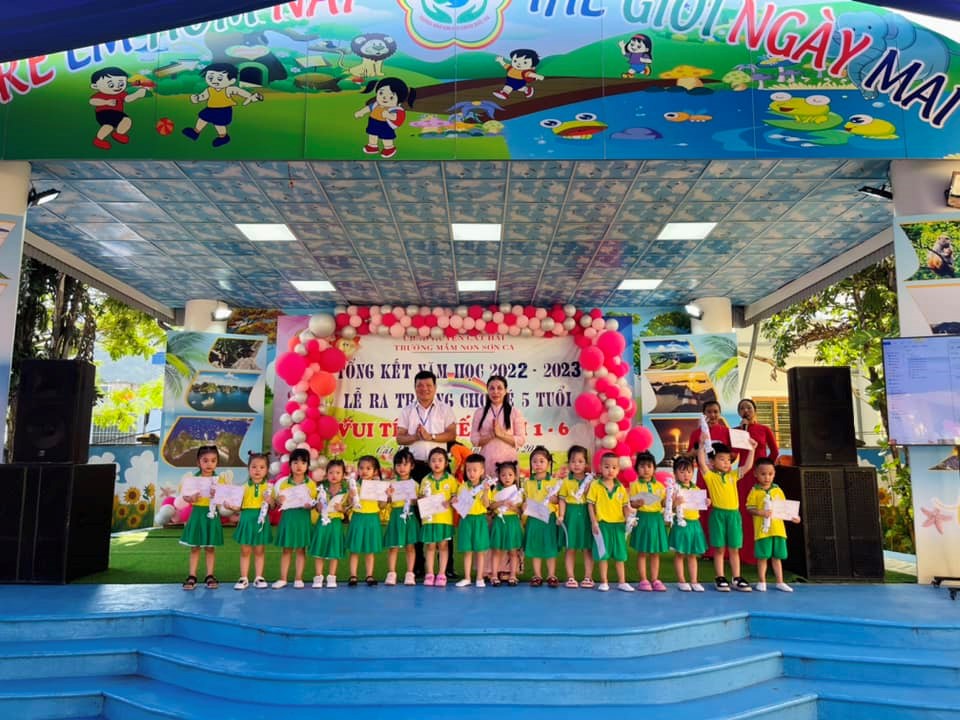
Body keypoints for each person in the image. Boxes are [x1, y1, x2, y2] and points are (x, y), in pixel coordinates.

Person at [397, 370, 457, 578]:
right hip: (417, 468)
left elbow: (452, 434)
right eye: (420, 386)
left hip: (440, 468)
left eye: (428, 385)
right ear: (415, 388)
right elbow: (399, 438)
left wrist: (430, 436)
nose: (424, 389)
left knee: (443, 514)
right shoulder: (407, 410)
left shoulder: (444, 409)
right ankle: (420, 566)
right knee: (418, 516)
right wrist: (415, 436)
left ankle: (447, 568)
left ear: (435, 387)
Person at [697, 434, 757, 592]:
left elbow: (747, 467)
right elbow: (701, 463)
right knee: (719, 548)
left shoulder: (732, 475)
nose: (726, 462)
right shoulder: (710, 476)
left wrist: (752, 449)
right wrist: (702, 446)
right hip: (718, 515)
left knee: (734, 548)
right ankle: (720, 577)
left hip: (733, 516)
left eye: (729, 460)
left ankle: (737, 578)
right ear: (712, 462)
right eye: (722, 459)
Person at [736, 398, 780, 565]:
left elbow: (774, 451)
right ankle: (744, 553)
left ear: (755, 410)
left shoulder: (764, 429)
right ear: (739, 413)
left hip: (761, 476)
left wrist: (766, 468)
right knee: (745, 511)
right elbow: (732, 454)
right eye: (742, 408)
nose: (745, 411)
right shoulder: (736, 431)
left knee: (762, 509)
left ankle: (763, 553)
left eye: (748, 407)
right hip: (744, 475)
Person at [746, 458, 800, 592]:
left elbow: (785, 508)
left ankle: (780, 581)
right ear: (756, 474)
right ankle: (762, 581)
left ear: (774, 474)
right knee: (763, 557)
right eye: (763, 474)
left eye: (770, 474)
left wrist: (794, 517)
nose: (767, 477)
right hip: (763, 531)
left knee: (777, 557)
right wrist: (760, 512)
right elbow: (749, 508)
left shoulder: (777, 490)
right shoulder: (754, 491)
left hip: (778, 529)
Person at [180, 445, 229, 590]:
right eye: (205, 460)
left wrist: (217, 495)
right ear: (198, 462)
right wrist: (192, 498)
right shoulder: (192, 479)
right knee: (195, 547)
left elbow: (224, 500)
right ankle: (192, 576)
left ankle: (210, 575)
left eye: (213, 460)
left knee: (210, 547)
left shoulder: (220, 480)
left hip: (212, 515)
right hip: (197, 514)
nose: (209, 464)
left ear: (217, 462)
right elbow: (185, 497)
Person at [587, 453, 634, 593]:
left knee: (620, 555)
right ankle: (604, 581)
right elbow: (590, 505)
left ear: (619, 469)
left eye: (614, 467)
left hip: (618, 526)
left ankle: (622, 582)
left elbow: (625, 507)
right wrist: (594, 522)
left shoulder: (621, 487)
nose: (610, 470)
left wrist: (629, 519)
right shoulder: (595, 485)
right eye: (607, 467)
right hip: (602, 525)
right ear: (600, 467)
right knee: (603, 555)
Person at [273, 448, 317, 589]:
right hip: (288, 519)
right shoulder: (283, 483)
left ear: (308, 465)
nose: (299, 466)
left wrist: (310, 505)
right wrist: (279, 500)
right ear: (290, 464)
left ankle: (298, 578)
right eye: (295, 462)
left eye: (303, 463)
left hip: (302, 519)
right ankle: (283, 578)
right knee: (286, 550)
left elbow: (314, 503)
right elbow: (277, 503)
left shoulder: (311, 484)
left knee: (300, 550)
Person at [230, 451, 273, 590]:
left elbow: (273, 506)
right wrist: (231, 507)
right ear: (248, 469)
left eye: (261, 467)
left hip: (261, 521)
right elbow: (238, 506)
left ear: (267, 469)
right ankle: (243, 578)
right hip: (247, 521)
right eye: (254, 467)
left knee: (259, 550)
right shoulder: (243, 487)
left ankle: (259, 577)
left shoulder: (269, 487)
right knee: (245, 550)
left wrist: (270, 500)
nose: (257, 470)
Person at [470, 375, 527, 478]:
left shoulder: (514, 412)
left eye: (499, 388)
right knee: (487, 488)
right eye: (492, 388)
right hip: (486, 461)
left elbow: (521, 440)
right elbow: (474, 440)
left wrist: (501, 435)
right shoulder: (479, 413)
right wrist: (491, 435)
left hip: (509, 464)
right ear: (487, 391)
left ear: (505, 391)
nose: (495, 392)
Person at [628, 451, 669, 592]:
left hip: (656, 520)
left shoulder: (660, 486)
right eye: (642, 466)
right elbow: (631, 503)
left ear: (654, 468)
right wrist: (636, 504)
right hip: (643, 519)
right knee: (642, 552)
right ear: (637, 469)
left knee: (655, 552)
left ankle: (655, 579)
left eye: (649, 466)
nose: (646, 469)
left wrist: (671, 500)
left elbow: (663, 503)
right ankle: (643, 580)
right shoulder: (634, 485)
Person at [669, 455, 709, 592]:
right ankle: (681, 580)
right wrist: (675, 503)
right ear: (675, 473)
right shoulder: (674, 489)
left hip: (694, 524)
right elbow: (668, 509)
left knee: (692, 554)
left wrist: (706, 502)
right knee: (680, 553)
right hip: (681, 524)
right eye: (682, 472)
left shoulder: (696, 489)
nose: (686, 475)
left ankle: (694, 581)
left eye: (689, 471)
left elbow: (699, 505)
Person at [418, 447, 458, 586]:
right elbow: (420, 497)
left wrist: (451, 501)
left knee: (443, 546)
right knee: (430, 546)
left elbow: (455, 497)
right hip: (429, 519)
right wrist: (422, 499)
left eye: (440, 460)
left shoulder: (451, 480)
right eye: (433, 460)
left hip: (444, 519)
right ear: (429, 463)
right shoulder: (425, 480)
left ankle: (441, 574)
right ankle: (429, 574)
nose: (437, 463)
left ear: (446, 463)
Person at [523, 445, 561, 588]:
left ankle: (551, 575)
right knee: (535, 547)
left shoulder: (554, 482)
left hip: (549, 518)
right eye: (534, 461)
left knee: (550, 546)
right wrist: (524, 506)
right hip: (534, 519)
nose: (538, 465)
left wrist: (554, 499)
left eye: (541, 461)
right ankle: (537, 575)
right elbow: (524, 500)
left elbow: (558, 500)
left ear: (548, 463)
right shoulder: (527, 482)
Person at [347, 455, 388, 586]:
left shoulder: (379, 487)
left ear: (375, 471)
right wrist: (351, 496)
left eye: (368, 468)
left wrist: (386, 496)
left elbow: (382, 506)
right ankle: (353, 576)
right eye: (361, 468)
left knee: (370, 550)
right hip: (358, 518)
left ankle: (369, 575)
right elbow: (349, 504)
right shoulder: (354, 485)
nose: (364, 471)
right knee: (355, 549)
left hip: (372, 519)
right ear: (358, 470)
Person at [558, 445, 595, 588]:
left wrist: (588, 489)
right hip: (571, 516)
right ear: (568, 463)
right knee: (570, 548)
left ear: (586, 463)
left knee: (587, 548)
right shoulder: (566, 481)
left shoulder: (591, 481)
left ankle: (588, 577)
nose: (577, 464)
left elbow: (594, 500)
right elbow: (562, 500)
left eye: (580, 461)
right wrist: (561, 515)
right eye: (573, 461)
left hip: (586, 515)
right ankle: (570, 577)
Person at [383, 449, 420, 586]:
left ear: (412, 466)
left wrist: (416, 499)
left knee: (410, 546)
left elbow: (419, 503)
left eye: (405, 464)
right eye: (398, 465)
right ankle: (391, 573)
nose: (402, 468)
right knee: (393, 546)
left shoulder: (416, 484)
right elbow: (384, 503)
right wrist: (388, 496)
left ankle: (410, 574)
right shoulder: (391, 483)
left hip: (410, 516)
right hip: (396, 516)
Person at [454, 454, 492, 588]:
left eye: (475, 470)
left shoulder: (485, 487)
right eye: (468, 470)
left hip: (480, 520)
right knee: (467, 551)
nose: (471, 473)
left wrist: (486, 491)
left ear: (482, 471)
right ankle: (467, 578)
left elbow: (486, 505)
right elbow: (459, 507)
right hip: (466, 520)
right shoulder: (462, 487)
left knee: (480, 551)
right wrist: (455, 502)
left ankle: (480, 578)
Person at [309, 459, 347, 589]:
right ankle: (318, 577)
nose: (334, 475)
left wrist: (342, 509)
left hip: (336, 523)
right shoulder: (321, 489)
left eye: (338, 472)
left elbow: (349, 508)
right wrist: (317, 507)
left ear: (343, 475)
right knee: (320, 549)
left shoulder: (346, 491)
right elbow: (315, 505)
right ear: (326, 474)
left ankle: (331, 577)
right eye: (331, 472)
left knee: (334, 550)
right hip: (322, 523)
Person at [488, 460, 523, 586]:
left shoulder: (518, 492)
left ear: (515, 476)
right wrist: (502, 502)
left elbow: (520, 511)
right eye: (503, 475)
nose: (507, 478)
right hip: (499, 522)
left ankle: (513, 575)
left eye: (510, 475)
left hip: (513, 522)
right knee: (496, 550)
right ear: (499, 476)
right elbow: (490, 506)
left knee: (513, 551)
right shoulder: (495, 490)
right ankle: (494, 575)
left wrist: (514, 508)